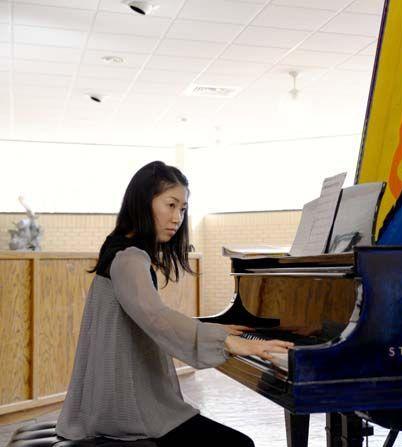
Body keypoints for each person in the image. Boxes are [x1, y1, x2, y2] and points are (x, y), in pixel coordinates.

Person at [56, 161, 292, 446]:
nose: (177, 217)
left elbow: (148, 316)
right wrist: (232, 343)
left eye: (182, 208)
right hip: (125, 409)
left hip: (108, 398)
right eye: (170, 204)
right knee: (239, 444)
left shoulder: (119, 247)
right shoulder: (130, 258)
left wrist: (213, 328)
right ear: (144, 202)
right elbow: (157, 319)